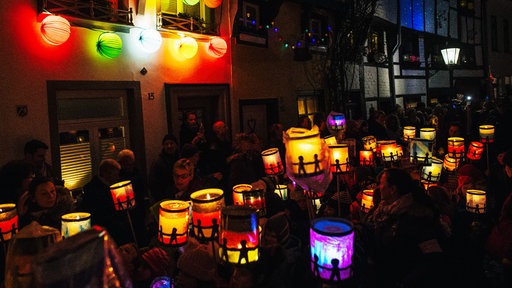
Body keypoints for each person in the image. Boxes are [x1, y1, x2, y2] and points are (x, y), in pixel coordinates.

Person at [365, 168, 449, 287]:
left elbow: (432, 257)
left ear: (393, 189)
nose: (378, 187)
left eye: (381, 184)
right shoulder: (381, 211)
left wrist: (405, 283)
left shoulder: (417, 217)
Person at [81, 159, 135, 246]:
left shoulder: (107, 187)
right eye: (115, 174)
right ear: (106, 173)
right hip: (106, 233)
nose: (118, 178)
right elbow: (102, 215)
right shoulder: (94, 191)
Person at [117, 149, 150, 246]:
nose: (127, 164)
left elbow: (143, 191)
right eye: (124, 162)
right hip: (124, 213)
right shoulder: (118, 177)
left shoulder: (138, 174)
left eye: (129, 161)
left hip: (139, 210)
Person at [148, 134, 180, 203]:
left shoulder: (180, 159)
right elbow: (153, 183)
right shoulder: (158, 162)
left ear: (176, 145)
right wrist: (161, 199)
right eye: (166, 144)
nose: (169, 146)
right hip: (165, 198)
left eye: (171, 143)